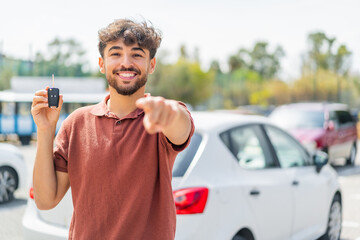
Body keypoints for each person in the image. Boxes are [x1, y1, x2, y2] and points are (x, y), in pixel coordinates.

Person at [31, 19, 194, 240]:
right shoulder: (76, 123)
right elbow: (45, 200)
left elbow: (180, 126)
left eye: (137, 54)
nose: (126, 63)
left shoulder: (160, 119)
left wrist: (171, 114)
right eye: (115, 54)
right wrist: (45, 130)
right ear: (101, 63)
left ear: (151, 64)